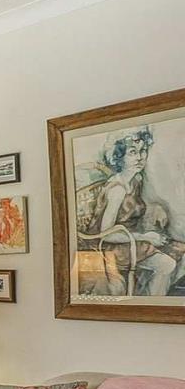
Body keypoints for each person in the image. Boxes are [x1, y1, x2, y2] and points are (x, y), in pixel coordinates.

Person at [75, 127, 185, 296]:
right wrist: (145, 237)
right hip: (109, 248)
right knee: (166, 264)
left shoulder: (135, 180)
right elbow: (106, 234)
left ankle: (151, 299)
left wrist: (155, 211)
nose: (140, 157)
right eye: (132, 152)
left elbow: (134, 212)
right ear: (120, 156)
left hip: (127, 239)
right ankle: (152, 305)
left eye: (143, 151)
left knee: (179, 250)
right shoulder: (117, 190)